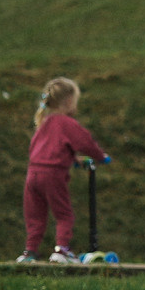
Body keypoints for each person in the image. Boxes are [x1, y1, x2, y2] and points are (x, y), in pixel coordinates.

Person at [21, 77, 107, 264]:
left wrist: (73, 159)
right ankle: (61, 250)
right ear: (68, 101)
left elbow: (47, 150)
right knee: (64, 215)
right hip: (52, 175)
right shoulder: (66, 123)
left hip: (33, 175)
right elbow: (85, 142)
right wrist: (100, 156)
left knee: (35, 216)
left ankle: (29, 252)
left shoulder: (44, 122)